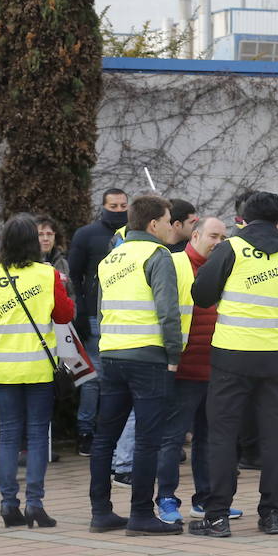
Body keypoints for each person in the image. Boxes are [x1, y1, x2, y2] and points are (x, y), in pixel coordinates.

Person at [189, 192, 278, 539]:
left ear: (244, 218)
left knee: (223, 436)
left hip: (230, 356)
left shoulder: (233, 248)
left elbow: (201, 294)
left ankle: (217, 516)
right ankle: (272, 514)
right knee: (274, 437)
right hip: (273, 359)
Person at [0, 214, 75, 528]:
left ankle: (7, 504)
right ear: (33, 242)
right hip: (38, 366)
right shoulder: (47, 274)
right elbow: (65, 313)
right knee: (38, 435)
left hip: (1, 368)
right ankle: (35, 504)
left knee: (8, 435)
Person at [87, 194, 185, 536]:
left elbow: (101, 311)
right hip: (148, 357)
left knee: (104, 438)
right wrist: (174, 354)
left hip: (112, 356)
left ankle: (101, 512)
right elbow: (168, 311)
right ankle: (142, 514)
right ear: (153, 223)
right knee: (147, 440)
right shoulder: (158, 255)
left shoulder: (111, 258)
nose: (173, 225)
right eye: (169, 219)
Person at [154, 217, 234, 525]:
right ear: (196, 234)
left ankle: (204, 501)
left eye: (223, 237)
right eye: (213, 235)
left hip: (216, 369)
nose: (218, 242)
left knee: (208, 439)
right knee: (172, 439)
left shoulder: (224, 267)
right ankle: (166, 499)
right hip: (183, 367)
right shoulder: (174, 264)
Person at [67, 188, 129, 456]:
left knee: (118, 378)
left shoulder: (132, 236)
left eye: (123, 206)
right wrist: (80, 310)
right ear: (103, 206)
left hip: (125, 315)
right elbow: (75, 274)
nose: (118, 210)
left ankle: (113, 432)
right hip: (94, 314)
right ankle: (86, 431)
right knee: (94, 377)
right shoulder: (86, 235)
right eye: (113, 206)